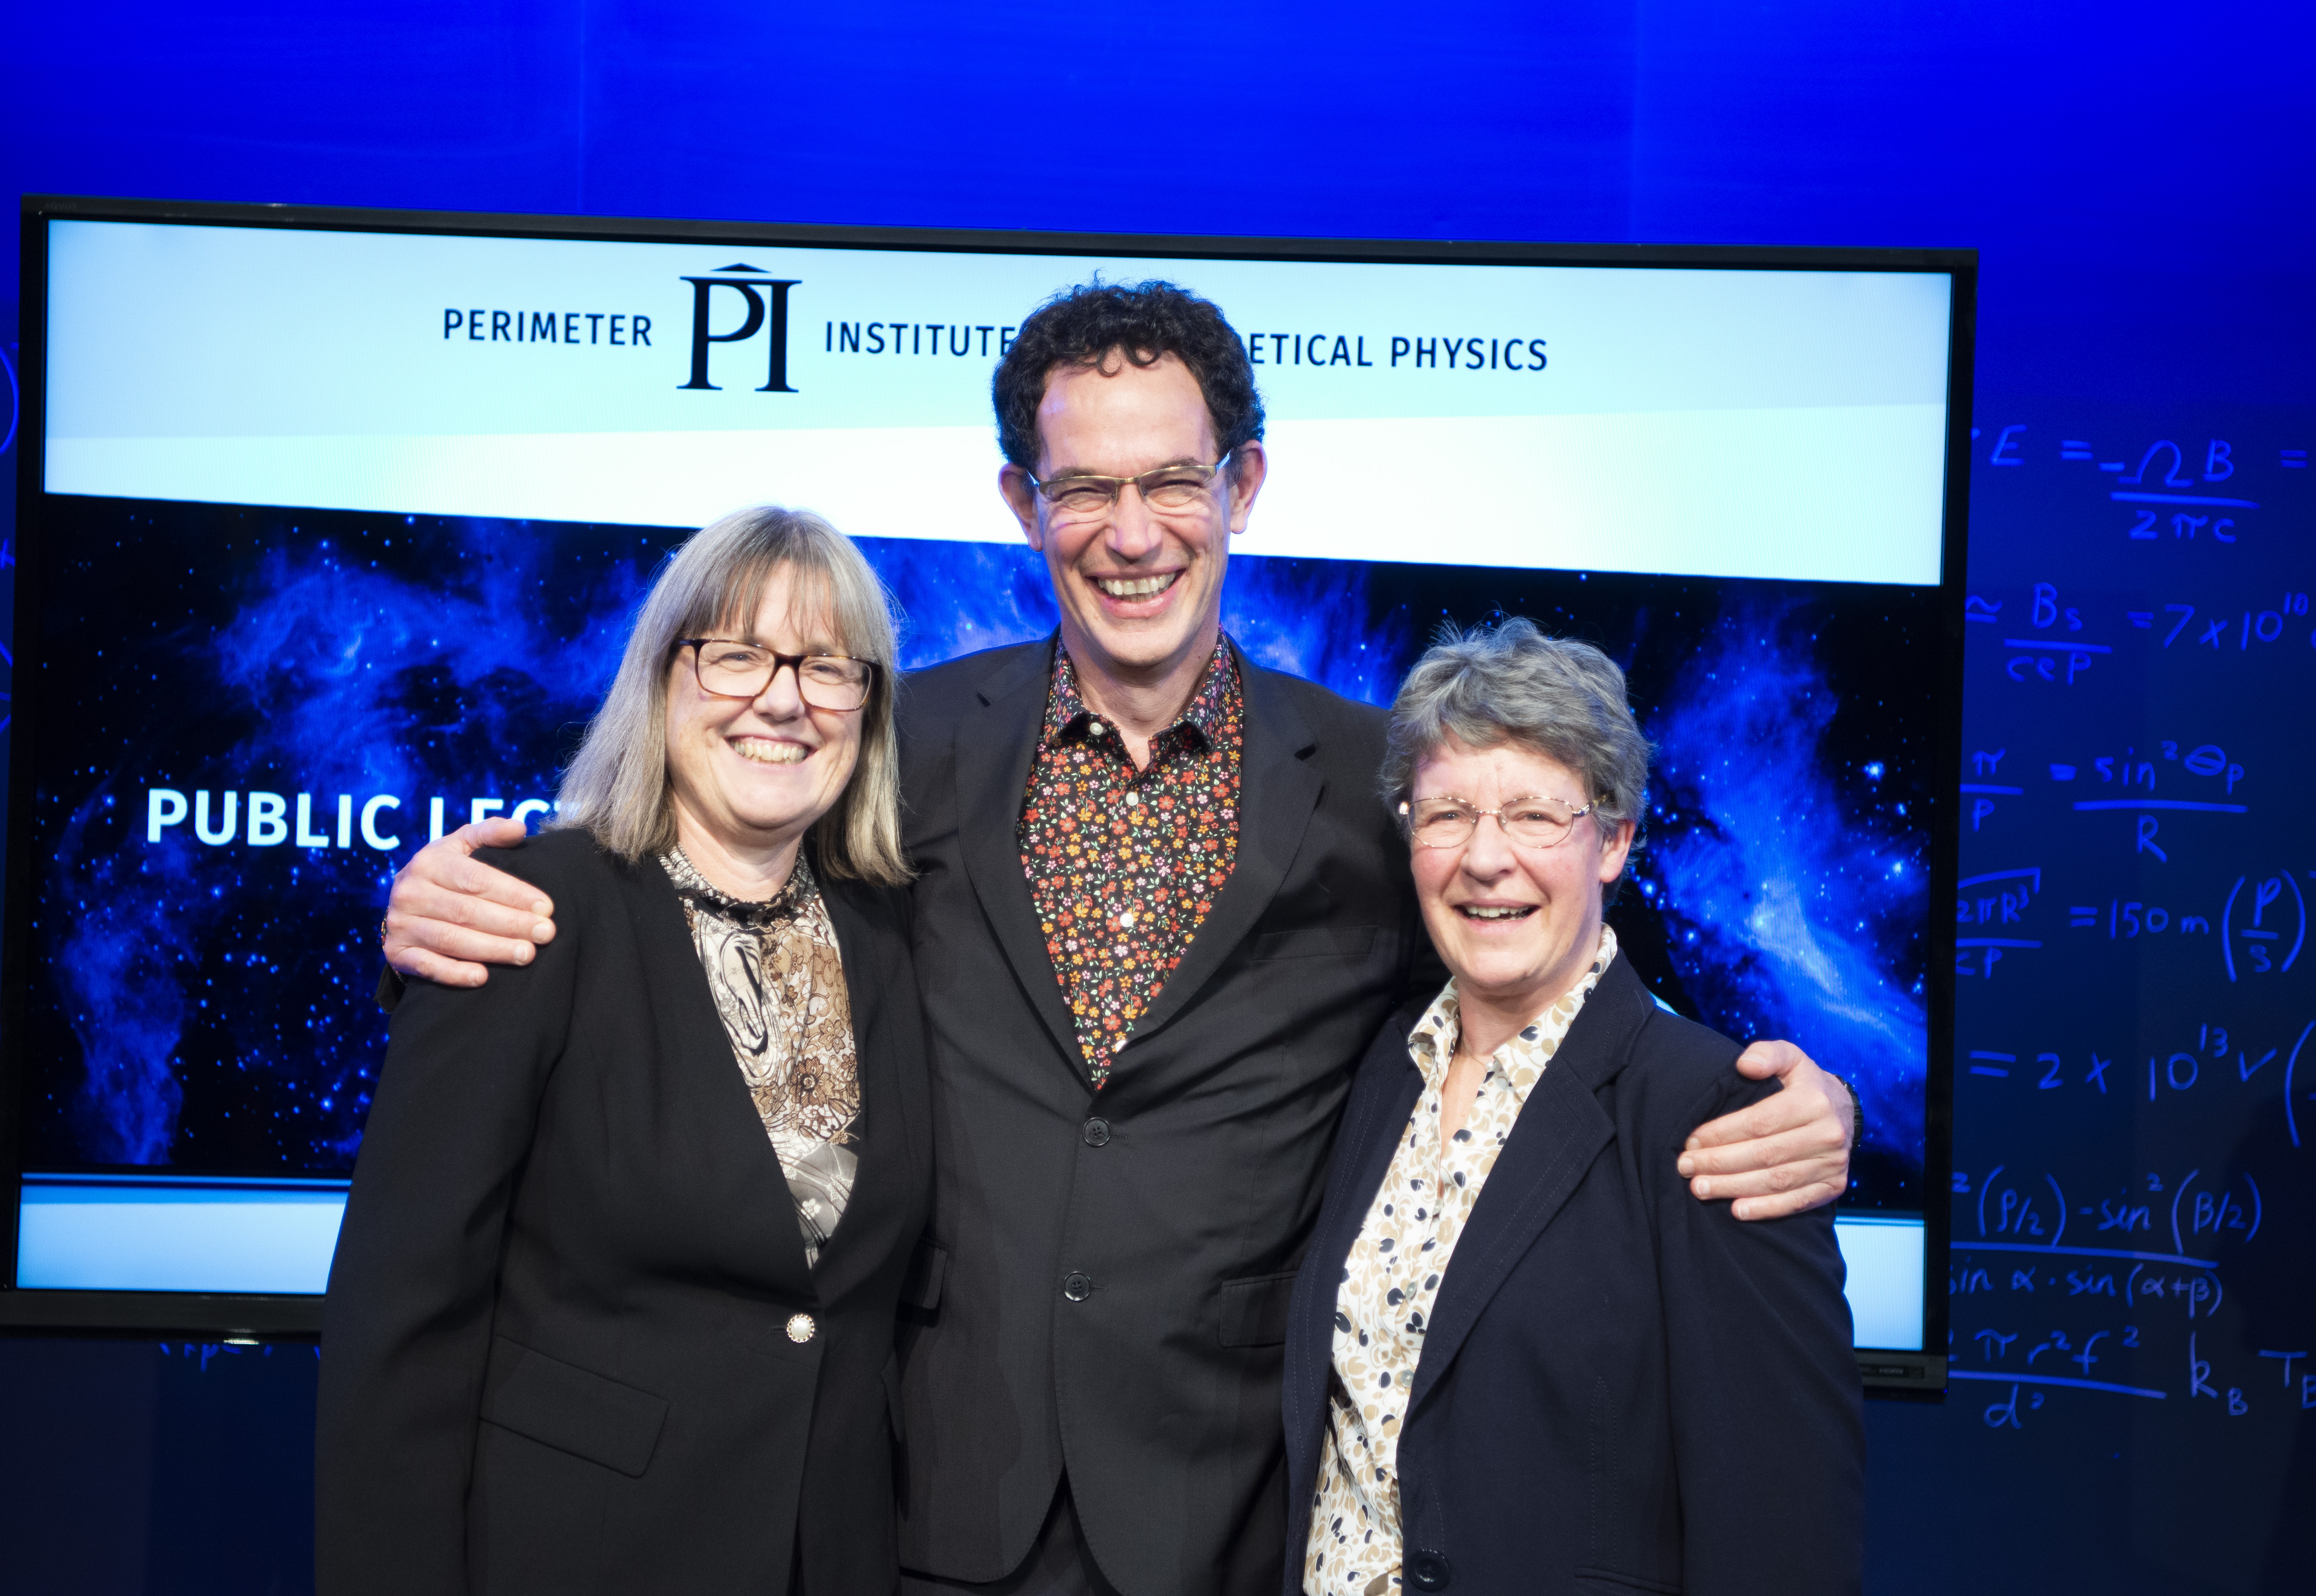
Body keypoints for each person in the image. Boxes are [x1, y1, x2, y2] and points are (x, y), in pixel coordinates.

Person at [377, 283, 1860, 1596]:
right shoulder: (907, 745)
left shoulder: (1370, 783)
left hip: (1226, 1520)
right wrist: (450, 901)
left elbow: (1531, 949)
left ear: (1244, 484)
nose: (1132, 532)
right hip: (931, 1501)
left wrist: (1764, 1094)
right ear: (1024, 502)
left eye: (1171, 480)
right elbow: (707, 856)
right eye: (1085, 488)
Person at [317, 508, 934, 1595]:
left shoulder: (891, 939)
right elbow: (403, 1322)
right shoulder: (525, 914)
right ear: (661, 680)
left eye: (829, 667)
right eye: (737, 655)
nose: (783, 699)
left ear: (868, 708)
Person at [1282, 616, 1863, 1596]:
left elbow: (1783, 1536)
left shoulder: (1721, 1119)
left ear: (1614, 839)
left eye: (1534, 816)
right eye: (1446, 813)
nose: (1484, 857)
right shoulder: (1382, 1070)